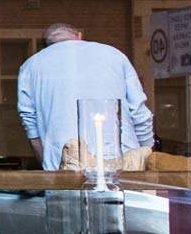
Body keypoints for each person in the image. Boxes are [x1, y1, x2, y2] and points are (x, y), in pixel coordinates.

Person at [14, 23, 154, 170]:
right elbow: (140, 114)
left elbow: (32, 129)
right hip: (122, 164)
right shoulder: (114, 55)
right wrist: (145, 156)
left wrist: (51, 169)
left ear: (46, 45)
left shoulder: (30, 66)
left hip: (67, 168)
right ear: (79, 36)